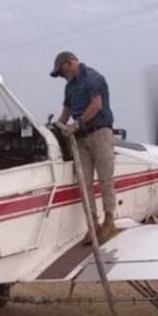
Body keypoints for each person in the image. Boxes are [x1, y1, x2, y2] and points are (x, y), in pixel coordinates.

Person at [50, 50, 117, 244]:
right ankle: (93, 225)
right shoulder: (70, 87)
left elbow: (96, 105)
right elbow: (66, 111)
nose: (62, 76)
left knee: (105, 179)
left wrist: (76, 124)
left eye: (62, 72)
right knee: (84, 184)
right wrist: (57, 126)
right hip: (79, 139)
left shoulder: (94, 79)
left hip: (99, 133)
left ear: (70, 64)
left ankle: (110, 221)